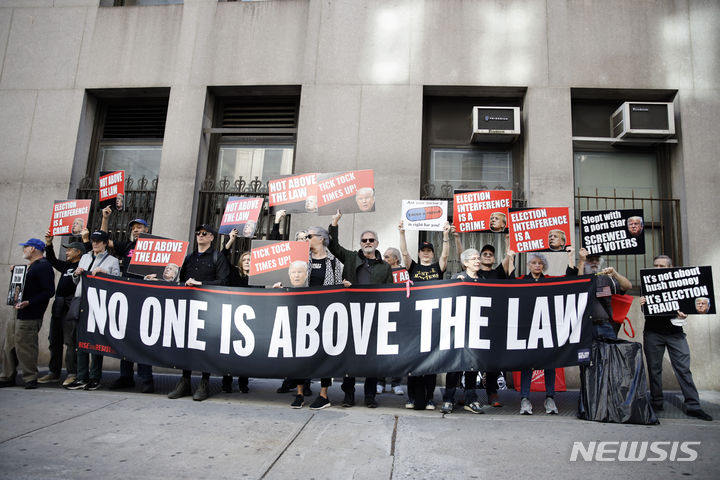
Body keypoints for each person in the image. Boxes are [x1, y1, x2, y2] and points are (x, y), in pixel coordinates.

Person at [328, 210, 392, 408]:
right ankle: (348, 395)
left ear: (377, 243)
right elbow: (333, 246)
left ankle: (370, 396)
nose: (367, 242)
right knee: (351, 358)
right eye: (364, 240)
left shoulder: (385, 267)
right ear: (360, 243)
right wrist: (334, 223)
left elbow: (390, 292)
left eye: (371, 239)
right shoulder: (350, 257)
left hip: (374, 317)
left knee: (372, 359)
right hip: (351, 315)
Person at [641, 255, 712, 421]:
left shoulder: (680, 283)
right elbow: (646, 312)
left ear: (671, 267)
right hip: (653, 333)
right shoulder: (648, 283)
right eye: (655, 266)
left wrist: (683, 315)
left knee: (683, 369)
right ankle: (656, 403)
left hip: (676, 333)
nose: (658, 269)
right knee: (654, 369)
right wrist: (643, 303)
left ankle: (693, 406)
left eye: (662, 266)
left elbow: (688, 307)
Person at [167, 224, 230, 401]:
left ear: (211, 237)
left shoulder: (217, 257)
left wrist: (201, 284)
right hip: (189, 306)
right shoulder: (188, 258)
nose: (200, 236)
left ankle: (204, 382)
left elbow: (224, 282)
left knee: (205, 344)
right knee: (187, 343)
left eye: (204, 233)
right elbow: (179, 280)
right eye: (198, 233)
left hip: (209, 308)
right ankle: (185, 381)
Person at [450, 243, 515, 409]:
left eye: (479, 258)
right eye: (475, 258)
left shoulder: (484, 279)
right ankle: (449, 398)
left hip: (478, 328)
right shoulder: (457, 277)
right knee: (456, 365)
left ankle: (471, 398)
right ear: (465, 263)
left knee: (473, 365)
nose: (478, 260)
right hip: (460, 328)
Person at [513, 249, 576, 415]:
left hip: (547, 327)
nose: (537, 265)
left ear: (544, 266)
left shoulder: (549, 281)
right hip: (527, 328)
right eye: (534, 262)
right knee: (527, 363)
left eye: (540, 263)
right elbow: (507, 283)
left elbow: (569, 280)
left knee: (550, 362)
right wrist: (509, 255)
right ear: (528, 265)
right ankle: (525, 399)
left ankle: (550, 398)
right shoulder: (521, 280)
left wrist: (570, 257)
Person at [288, 225, 345, 410]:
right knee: (300, 353)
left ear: (321, 238)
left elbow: (336, 287)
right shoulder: (302, 259)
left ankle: (323, 395)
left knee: (323, 353)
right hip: (302, 310)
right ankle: (299, 392)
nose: (306, 239)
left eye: (309, 236)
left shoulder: (334, 262)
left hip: (325, 312)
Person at [101, 207, 155, 393]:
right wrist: (105, 218)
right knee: (124, 337)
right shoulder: (127, 246)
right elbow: (104, 241)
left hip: (146, 298)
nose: (135, 229)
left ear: (147, 230)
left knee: (143, 340)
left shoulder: (155, 247)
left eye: (139, 227)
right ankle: (126, 377)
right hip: (126, 298)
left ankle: (146, 378)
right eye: (133, 227)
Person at [398, 220, 451, 410]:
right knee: (413, 360)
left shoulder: (438, 268)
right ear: (420, 253)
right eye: (423, 251)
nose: (426, 253)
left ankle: (429, 398)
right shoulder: (413, 268)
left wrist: (445, 236)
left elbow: (446, 255)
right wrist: (402, 233)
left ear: (432, 254)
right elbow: (404, 253)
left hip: (434, 319)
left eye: (429, 251)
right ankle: (411, 397)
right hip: (415, 320)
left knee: (431, 361)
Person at [65, 230, 120, 391]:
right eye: (93, 240)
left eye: (99, 241)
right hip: (81, 300)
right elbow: (76, 281)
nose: (95, 243)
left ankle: (95, 377)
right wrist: (76, 273)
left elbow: (117, 283)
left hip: (99, 304)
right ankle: (81, 376)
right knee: (80, 341)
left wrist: (105, 274)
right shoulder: (85, 257)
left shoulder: (112, 261)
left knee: (96, 342)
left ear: (105, 243)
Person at [0, 239, 55, 389]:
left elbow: (49, 291)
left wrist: (29, 302)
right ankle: (7, 376)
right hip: (17, 311)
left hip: (30, 314)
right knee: (9, 345)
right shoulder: (31, 267)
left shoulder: (44, 266)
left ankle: (30, 377)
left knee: (26, 346)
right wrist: (17, 273)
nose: (23, 249)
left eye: (26, 247)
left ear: (33, 249)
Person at [39, 231, 89, 386]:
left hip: (71, 306)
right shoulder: (66, 265)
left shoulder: (83, 265)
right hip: (58, 306)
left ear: (78, 252)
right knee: (54, 340)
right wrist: (49, 243)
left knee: (70, 341)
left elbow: (89, 253)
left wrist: (85, 239)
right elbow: (52, 260)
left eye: (70, 249)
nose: (67, 252)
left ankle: (72, 373)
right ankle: (54, 372)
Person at [576, 248, 632, 338]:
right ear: (585, 263)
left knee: (610, 351)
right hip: (585, 326)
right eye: (590, 260)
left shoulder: (605, 279)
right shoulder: (579, 278)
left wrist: (615, 274)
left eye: (597, 260)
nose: (594, 262)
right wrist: (582, 260)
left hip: (605, 325)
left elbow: (627, 286)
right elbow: (578, 282)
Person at [378, 247, 406, 395]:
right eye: (384, 256)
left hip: (400, 314)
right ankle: (380, 381)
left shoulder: (404, 273)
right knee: (381, 350)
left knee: (398, 351)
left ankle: (396, 383)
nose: (384, 259)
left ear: (396, 259)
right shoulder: (381, 270)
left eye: (387, 257)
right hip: (384, 313)